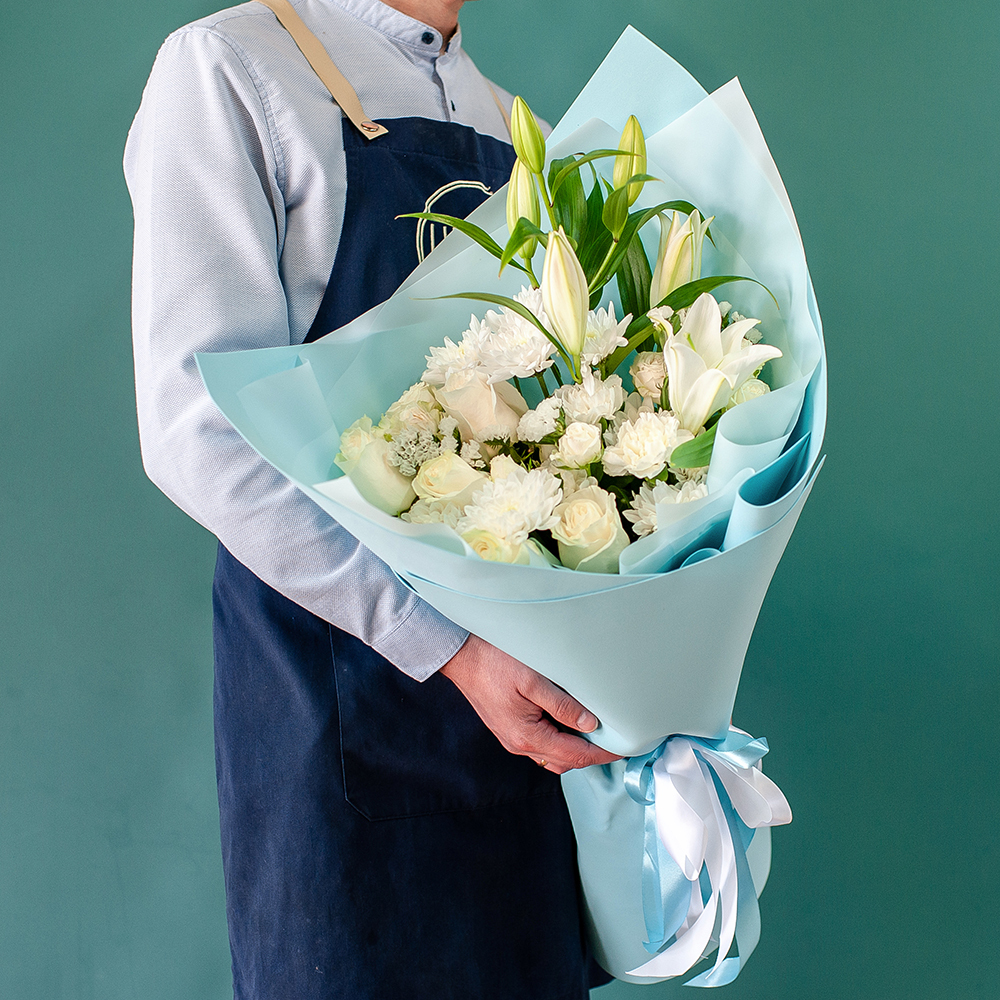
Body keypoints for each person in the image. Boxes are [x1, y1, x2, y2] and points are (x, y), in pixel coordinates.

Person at [124, 1, 619, 997]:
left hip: (527, 731)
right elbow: (198, 428)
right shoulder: (230, 66)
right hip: (340, 715)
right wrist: (451, 646)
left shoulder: (516, 123)